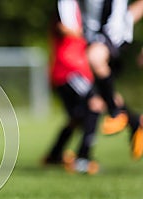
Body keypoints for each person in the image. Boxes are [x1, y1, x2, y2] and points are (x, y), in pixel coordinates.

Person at [43, 0, 103, 174]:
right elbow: (63, 27)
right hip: (68, 69)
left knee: (76, 117)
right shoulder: (65, 5)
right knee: (95, 104)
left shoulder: (78, 7)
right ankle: (83, 158)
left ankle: (54, 156)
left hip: (74, 70)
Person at [81, 0, 143, 160]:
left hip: (113, 36)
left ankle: (116, 114)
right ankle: (136, 123)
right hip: (91, 40)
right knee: (97, 99)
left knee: (94, 58)